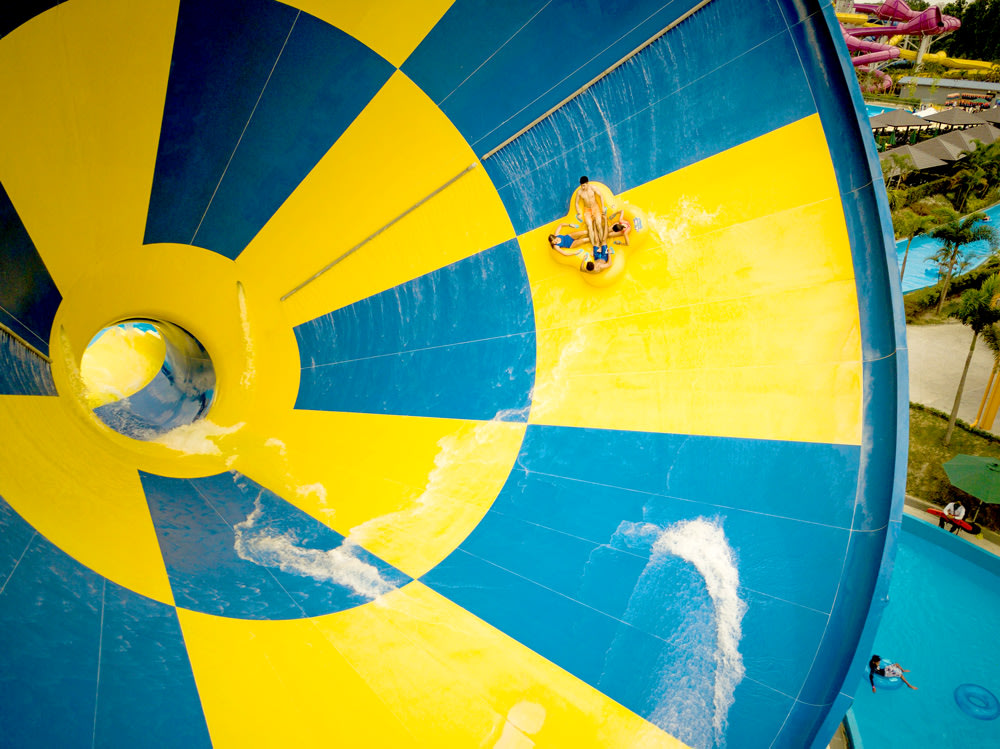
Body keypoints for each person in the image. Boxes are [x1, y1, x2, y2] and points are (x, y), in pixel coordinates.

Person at [575, 176, 609, 264]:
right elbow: (576, 203)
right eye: (582, 186)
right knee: (590, 226)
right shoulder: (579, 192)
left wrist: (602, 207)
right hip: (587, 210)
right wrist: (579, 213)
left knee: (598, 223)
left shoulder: (593, 188)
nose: (583, 187)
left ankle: (602, 243)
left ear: (587, 183)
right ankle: (595, 245)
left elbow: (600, 196)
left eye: (584, 185)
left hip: (595, 207)